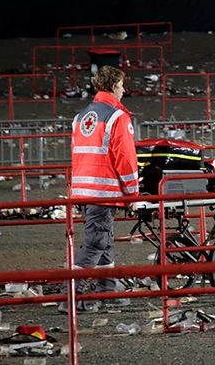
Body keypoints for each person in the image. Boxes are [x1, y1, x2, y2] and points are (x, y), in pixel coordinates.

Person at [60, 66, 138, 313]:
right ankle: (71, 294)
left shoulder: (81, 117)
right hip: (104, 191)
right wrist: (132, 193)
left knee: (105, 240)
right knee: (97, 241)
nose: (124, 90)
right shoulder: (117, 117)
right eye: (122, 85)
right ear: (114, 86)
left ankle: (108, 289)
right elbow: (125, 158)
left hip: (84, 190)